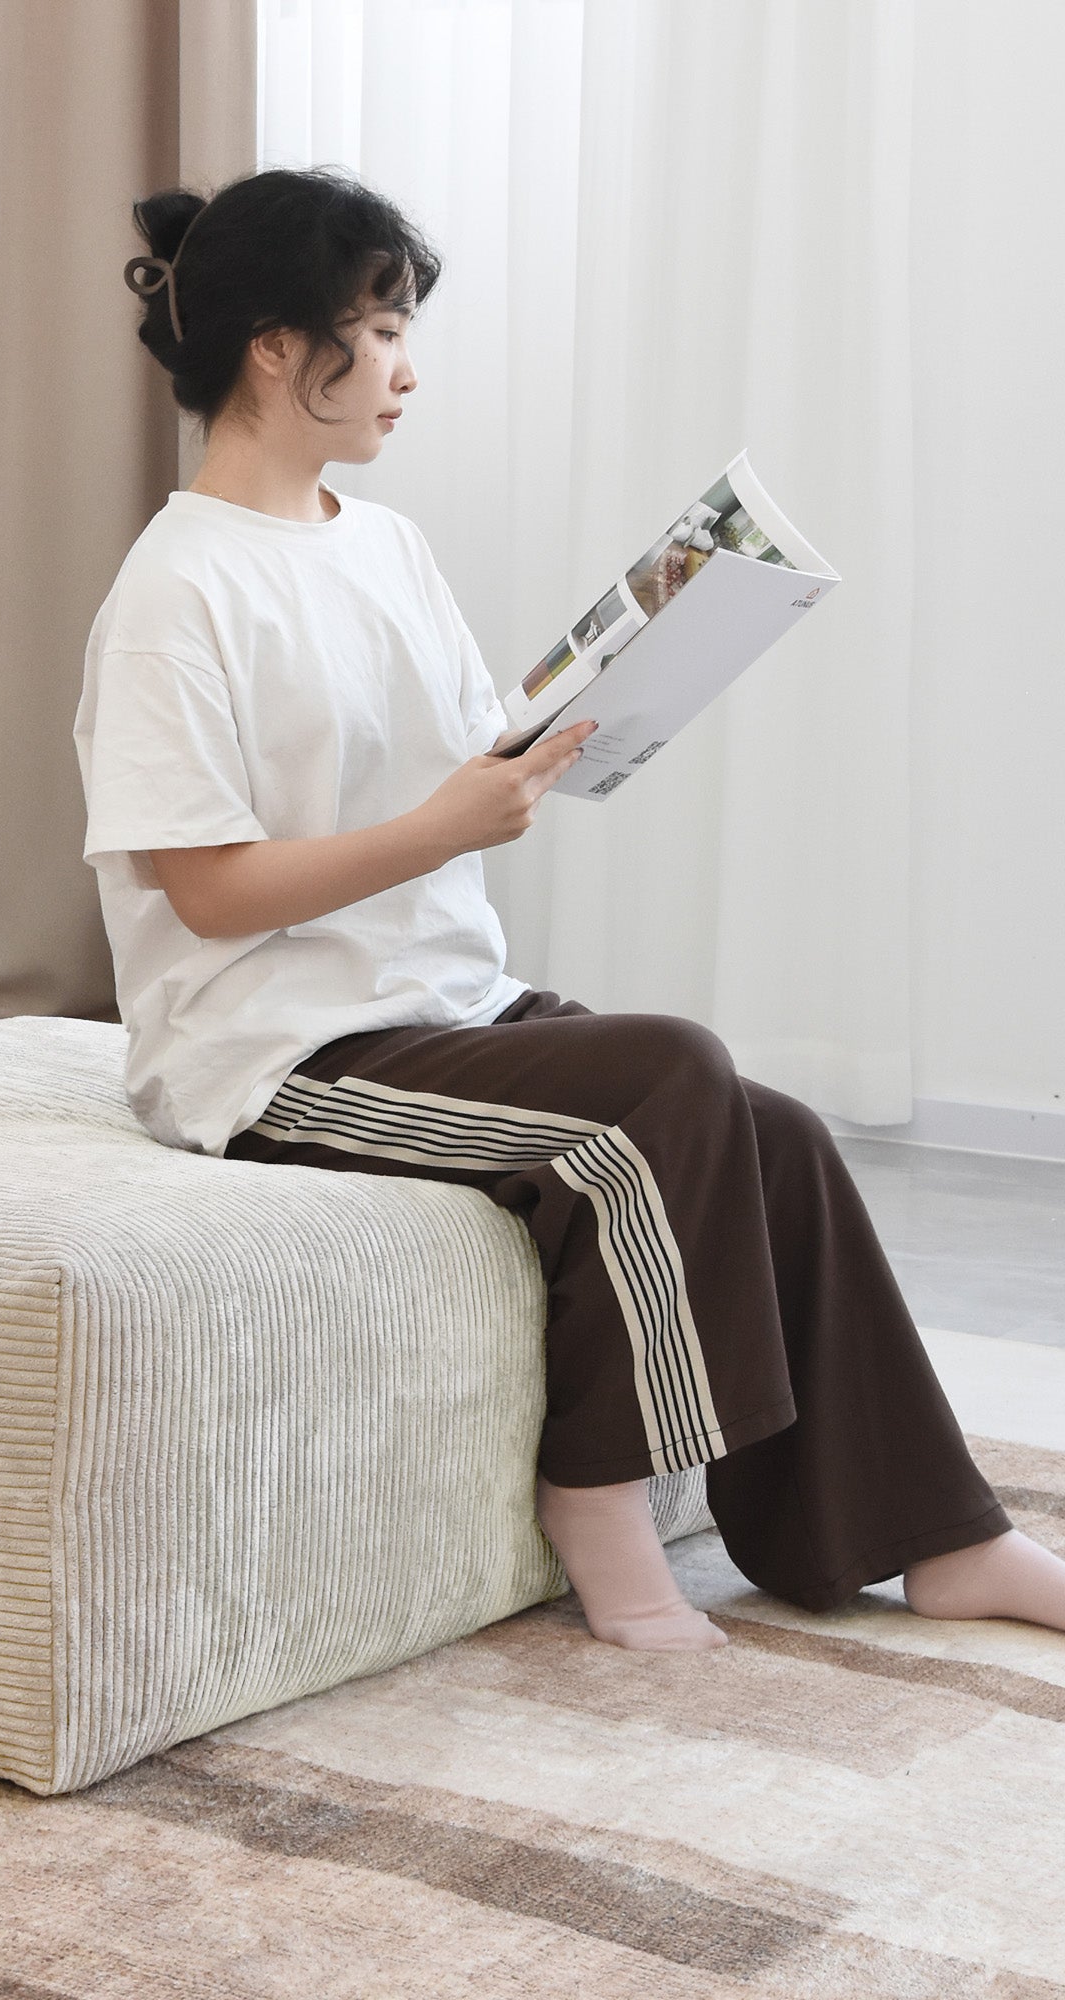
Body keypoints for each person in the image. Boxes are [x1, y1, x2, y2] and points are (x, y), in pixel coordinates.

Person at [74, 167, 1065, 1651]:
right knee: (666, 1075)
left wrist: (622, 686)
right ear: (278, 351)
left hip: (434, 1007)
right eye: (382, 328)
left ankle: (937, 1536)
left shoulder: (380, 542)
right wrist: (436, 829)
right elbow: (208, 895)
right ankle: (596, 1489)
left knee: (772, 1128)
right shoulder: (176, 594)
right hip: (277, 1055)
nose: (410, 368)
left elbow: (466, 755)